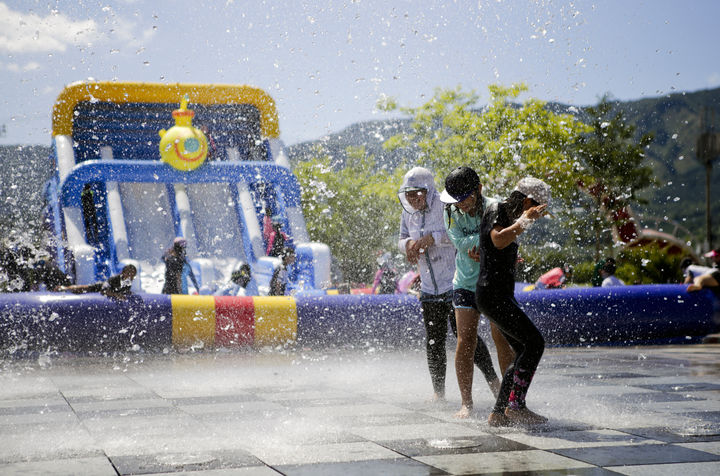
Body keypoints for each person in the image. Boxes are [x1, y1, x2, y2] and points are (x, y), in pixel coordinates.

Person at [398, 166, 494, 402]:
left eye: (417, 193)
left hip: (453, 281)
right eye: (408, 194)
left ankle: (493, 381)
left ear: (429, 190)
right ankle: (438, 392)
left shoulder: (446, 204)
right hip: (429, 286)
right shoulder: (408, 212)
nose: (412, 199)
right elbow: (400, 238)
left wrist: (433, 238)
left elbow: (456, 235)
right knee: (433, 340)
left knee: (466, 337)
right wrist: (409, 244)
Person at [473, 177, 551, 427]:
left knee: (523, 349)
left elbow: (497, 247)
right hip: (492, 295)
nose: (537, 216)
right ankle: (514, 407)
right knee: (534, 342)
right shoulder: (497, 209)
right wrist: (526, 219)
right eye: (537, 209)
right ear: (527, 201)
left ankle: (499, 413)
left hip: (498, 295)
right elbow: (498, 239)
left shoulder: (508, 216)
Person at [441, 166, 516, 418]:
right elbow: (459, 243)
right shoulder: (449, 212)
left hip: (494, 282)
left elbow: (504, 238)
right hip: (464, 283)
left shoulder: (495, 207)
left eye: (465, 198)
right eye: (456, 200)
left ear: (479, 190)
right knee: (465, 341)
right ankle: (466, 403)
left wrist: (487, 245)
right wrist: (485, 243)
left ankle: (509, 401)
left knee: (501, 339)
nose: (461, 205)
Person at [59, 264, 137, 300]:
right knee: (85, 288)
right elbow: (104, 291)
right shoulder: (115, 279)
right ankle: (64, 288)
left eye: (132, 275)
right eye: (128, 274)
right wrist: (116, 295)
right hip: (101, 286)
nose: (130, 277)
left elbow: (124, 291)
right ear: (123, 273)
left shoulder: (128, 282)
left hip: (110, 289)